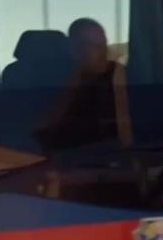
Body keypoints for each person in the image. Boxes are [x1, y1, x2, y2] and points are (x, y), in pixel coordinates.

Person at [35, 18, 133, 150]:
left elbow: (126, 133)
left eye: (103, 44)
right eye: (91, 45)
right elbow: (41, 131)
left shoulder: (119, 76)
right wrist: (75, 81)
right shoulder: (49, 82)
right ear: (72, 49)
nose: (102, 51)